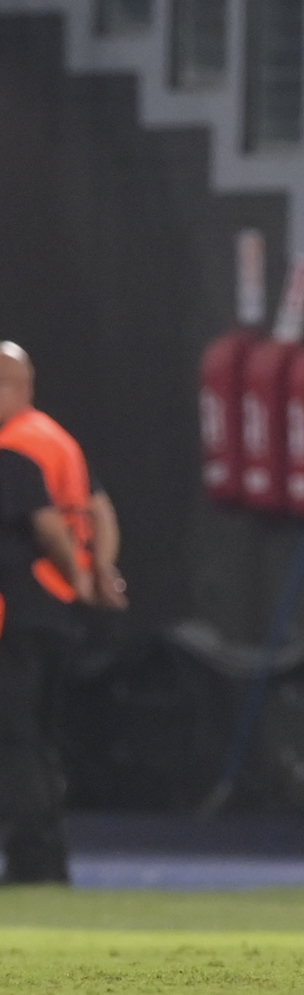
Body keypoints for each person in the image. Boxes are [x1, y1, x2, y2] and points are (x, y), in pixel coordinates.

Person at [0, 341, 128, 885]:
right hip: (56, 614)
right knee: (43, 740)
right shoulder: (57, 439)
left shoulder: (14, 445)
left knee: (16, 740)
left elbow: (46, 523)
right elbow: (99, 508)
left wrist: (78, 577)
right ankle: (47, 857)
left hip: (20, 612)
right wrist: (100, 573)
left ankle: (34, 861)